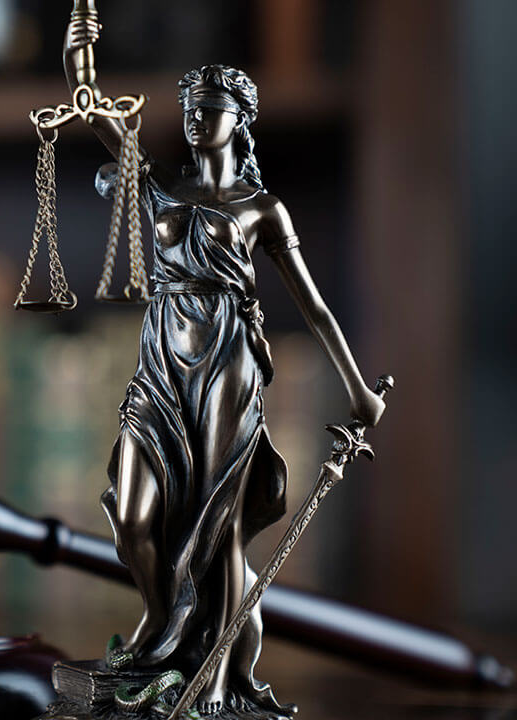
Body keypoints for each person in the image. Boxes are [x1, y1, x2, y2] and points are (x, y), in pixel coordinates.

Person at [80, 64, 386, 717]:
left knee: (215, 529)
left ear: (239, 120)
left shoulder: (261, 208)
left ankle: (213, 687)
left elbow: (316, 308)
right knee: (135, 512)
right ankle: (164, 629)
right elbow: (105, 122)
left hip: (227, 363)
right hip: (162, 356)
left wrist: (360, 391)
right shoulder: (163, 185)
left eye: (210, 108)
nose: (196, 119)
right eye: (190, 107)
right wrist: (81, 69)